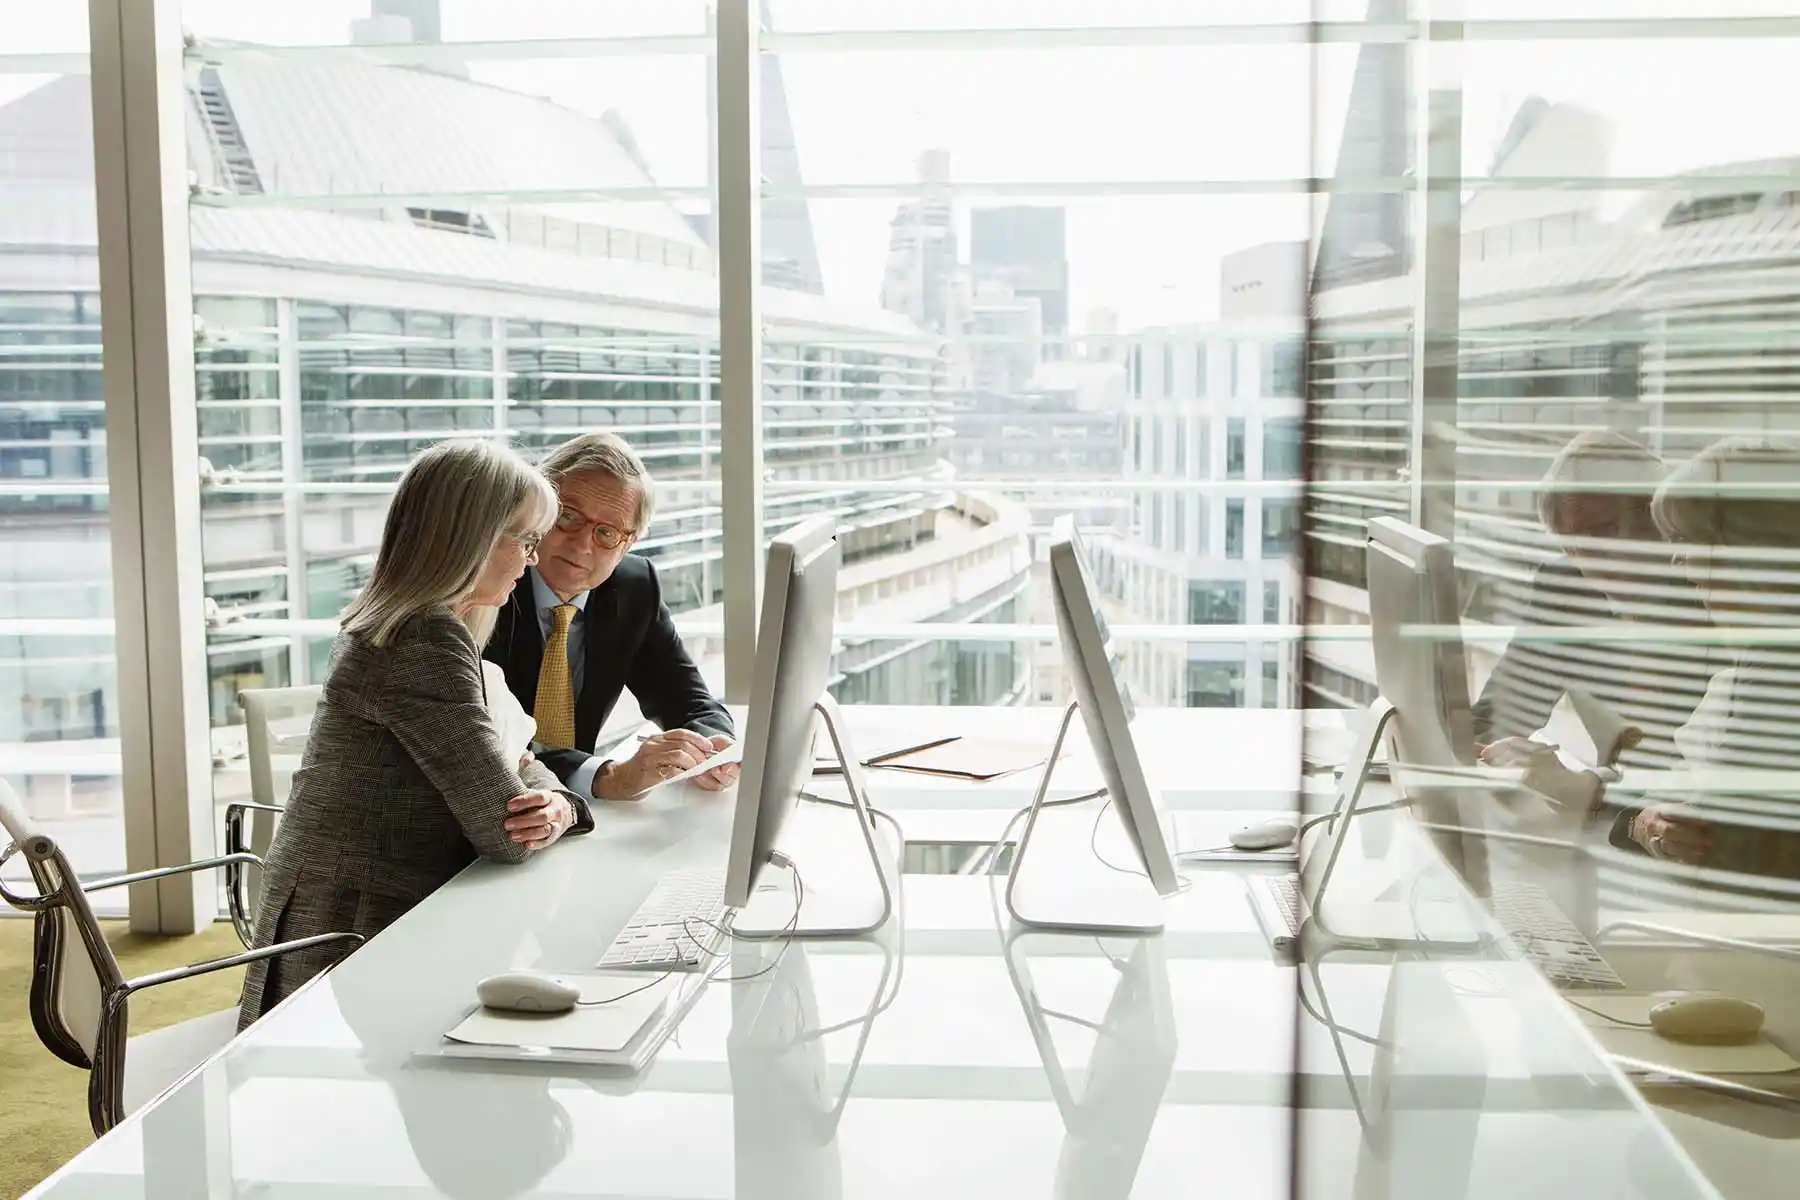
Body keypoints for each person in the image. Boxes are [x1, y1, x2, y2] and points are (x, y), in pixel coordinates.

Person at [238, 440, 588, 1029]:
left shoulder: (429, 623)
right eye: (523, 540)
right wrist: (549, 810)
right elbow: (506, 830)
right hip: (351, 939)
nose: (531, 561)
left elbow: (520, 764)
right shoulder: (421, 638)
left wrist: (559, 805)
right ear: (468, 537)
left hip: (371, 914)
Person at [1497, 439, 1800, 887]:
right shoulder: (1750, 657)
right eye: (1585, 537)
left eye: (1646, 521)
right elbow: (1683, 798)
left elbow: (1714, 837)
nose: (1632, 543)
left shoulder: (1758, 651)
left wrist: (1598, 802)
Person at [486, 432, 735, 802]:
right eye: (567, 516)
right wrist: (607, 775)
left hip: (573, 817)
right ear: (537, 513)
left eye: (606, 532)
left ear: (628, 543)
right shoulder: (489, 585)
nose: (582, 544)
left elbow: (687, 698)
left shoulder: (635, 587)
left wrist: (713, 749)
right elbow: (487, 741)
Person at [1472, 430, 1711, 766]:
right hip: (1613, 805)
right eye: (1571, 543)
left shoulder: (1712, 589)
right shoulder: (1566, 588)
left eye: (1601, 531)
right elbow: (1501, 711)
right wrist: (1471, 749)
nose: (1587, 556)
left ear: (1653, 512)